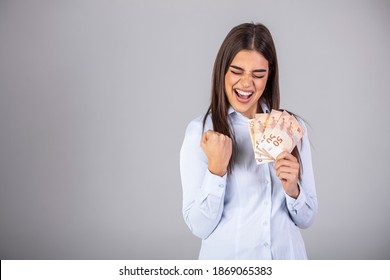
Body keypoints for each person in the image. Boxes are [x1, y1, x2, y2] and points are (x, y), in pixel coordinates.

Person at [180, 22, 318, 260]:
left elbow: (307, 219)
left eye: (258, 74)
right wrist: (216, 171)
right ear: (222, 70)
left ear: (269, 75)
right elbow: (199, 227)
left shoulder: (292, 127)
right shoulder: (201, 132)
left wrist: (293, 190)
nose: (246, 83)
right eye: (236, 71)